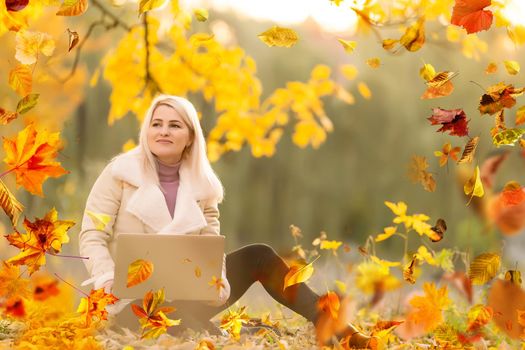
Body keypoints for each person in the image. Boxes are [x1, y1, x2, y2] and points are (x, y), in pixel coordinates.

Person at [78, 94, 377, 348]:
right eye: (156, 124)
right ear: (147, 132)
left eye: (174, 125)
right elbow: (92, 234)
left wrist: (217, 283)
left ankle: (333, 328)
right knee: (171, 319)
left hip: (188, 295)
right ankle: (212, 330)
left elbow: (210, 247)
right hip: (131, 301)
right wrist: (105, 280)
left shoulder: (203, 187)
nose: (163, 131)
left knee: (259, 254)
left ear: (190, 136)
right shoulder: (119, 175)